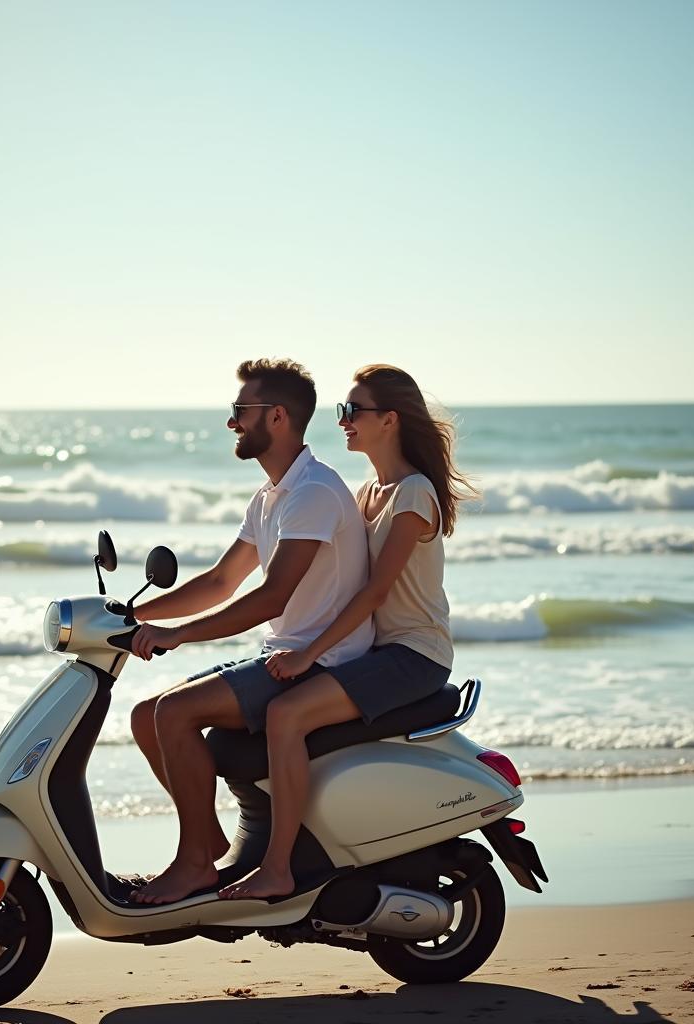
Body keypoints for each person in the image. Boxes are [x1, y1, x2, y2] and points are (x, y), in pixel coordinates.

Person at [219, 364, 476, 900]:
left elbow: (375, 593)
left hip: (415, 656)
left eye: (352, 411)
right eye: (343, 410)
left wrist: (308, 652)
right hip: (374, 653)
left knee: (286, 715)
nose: (342, 421)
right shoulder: (366, 494)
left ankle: (278, 868)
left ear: (389, 420)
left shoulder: (413, 495)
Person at [127, 358, 374, 905]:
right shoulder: (271, 495)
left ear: (278, 417)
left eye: (241, 411)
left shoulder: (311, 491)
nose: (232, 423)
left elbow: (271, 595)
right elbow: (221, 581)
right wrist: (136, 615)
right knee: (147, 716)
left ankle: (194, 863)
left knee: (175, 712)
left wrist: (180, 636)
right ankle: (206, 837)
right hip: (283, 654)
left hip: (323, 663)